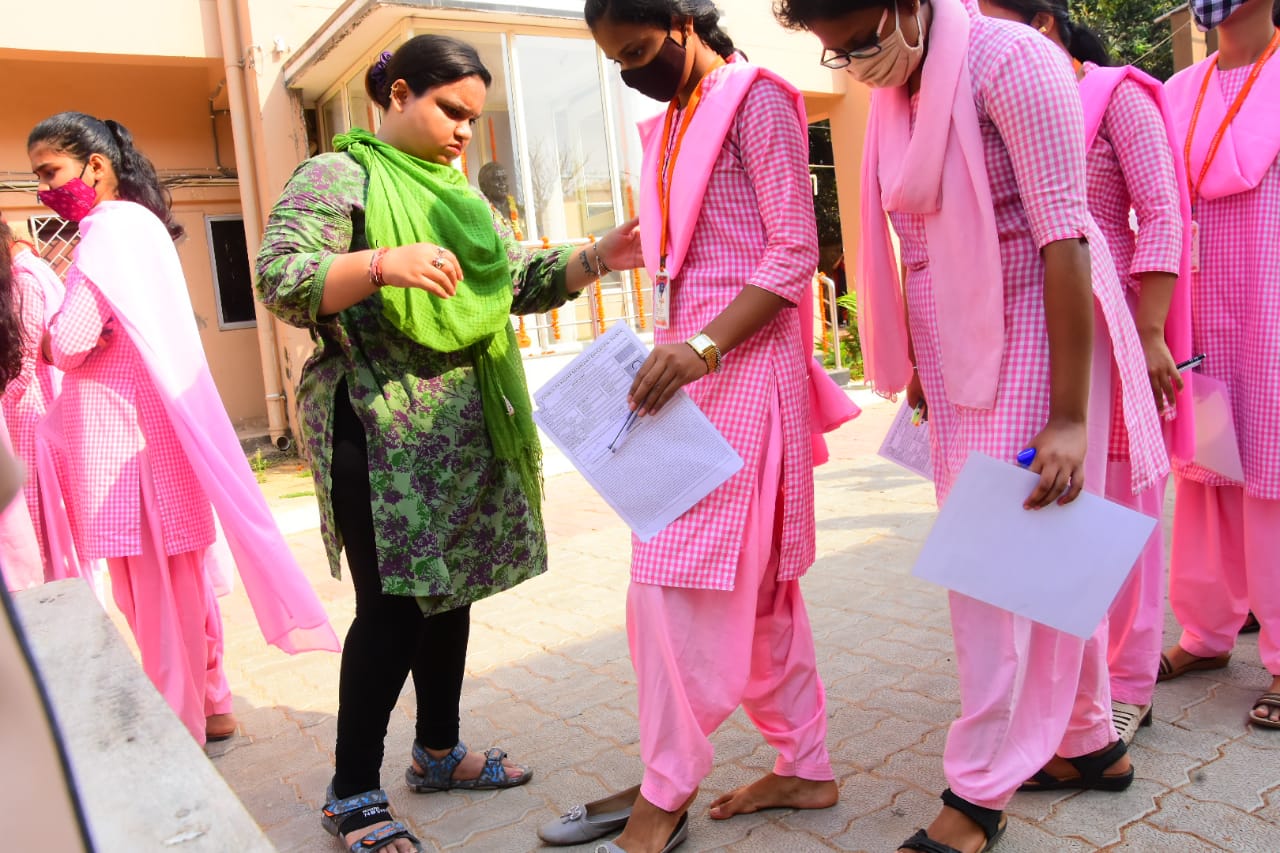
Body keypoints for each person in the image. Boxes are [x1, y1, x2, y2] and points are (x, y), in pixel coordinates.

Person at [775, 0, 1169, 851]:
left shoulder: (1012, 60)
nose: (856, 61)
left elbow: (1067, 236)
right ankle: (1089, 742)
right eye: (837, 53)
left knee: (997, 573)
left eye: (862, 39)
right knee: (1040, 554)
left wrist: (1070, 416)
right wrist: (922, 357)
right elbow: (919, 241)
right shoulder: (901, 91)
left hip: (1036, 324)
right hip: (958, 345)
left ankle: (980, 792)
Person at [255, 35, 642, 853]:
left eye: (474, 115)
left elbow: (511, 284)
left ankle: (437, 751)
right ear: (397, 94)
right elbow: (280, 276)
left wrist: (598, 255)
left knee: (452, 593)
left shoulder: (461, 197)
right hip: (379, 429)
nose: (466, 130)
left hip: (459, 432)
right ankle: (352, 791)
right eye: (450, 110)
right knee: (392, 610)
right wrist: (381, 262)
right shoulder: (339, 177)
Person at [550, 2, 858, 851]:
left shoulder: (757, 98)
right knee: (761, 593)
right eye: (617, 61)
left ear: (685, 22)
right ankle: (806, 765)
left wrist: (704, 347)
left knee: (669, 585)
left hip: (738, 368)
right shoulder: (676, 120)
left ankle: (665, 789)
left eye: (639, 49)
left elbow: (793, 254)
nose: (631, 71)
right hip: (690, 375)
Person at [27, 112, 338, 748]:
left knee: (151, 600)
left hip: (123, 449)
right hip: (162, 441)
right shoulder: (142, 226)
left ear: (94, 166)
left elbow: (73, 339)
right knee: (185, 588)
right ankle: (214, 704)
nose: (42, 189)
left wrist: (53, 342)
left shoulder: (104, 233)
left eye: (49, 172)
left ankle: (179, 729)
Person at [977, 0, 1194, 746]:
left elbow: (1161, 212)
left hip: (1112, 329)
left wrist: (1151, 330)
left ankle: (1128, 685)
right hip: (1031, 331)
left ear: (1040, 26)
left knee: (1123, 511)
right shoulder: (991, 97)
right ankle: (1065, 694)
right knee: (1054, 506)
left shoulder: (1118, 94)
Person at [1159, 0, 1280, 731]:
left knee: (1272, 475)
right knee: (1204, 474)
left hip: (1270, 306)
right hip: (1196, 310)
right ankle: (1206, 632)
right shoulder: (1178, 89)